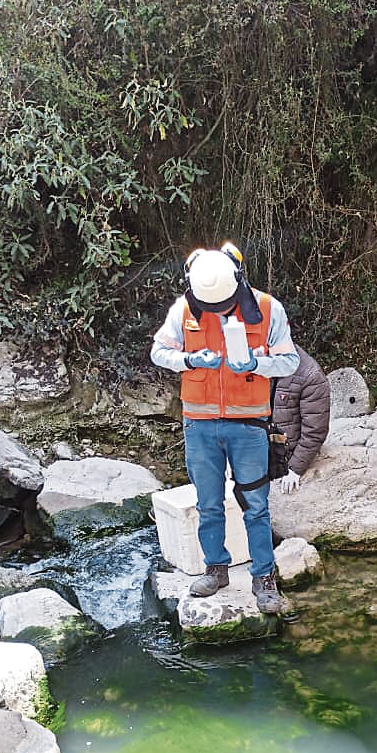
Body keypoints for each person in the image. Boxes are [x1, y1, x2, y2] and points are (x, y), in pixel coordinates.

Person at [150, 243, 298, 614]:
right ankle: (216, 569)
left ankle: (264, 580)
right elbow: (158, 352)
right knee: (208, 504)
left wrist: (256, 363)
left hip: (248, 425)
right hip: (199, 425)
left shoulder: (267, 309)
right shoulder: (184, 308)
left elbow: (290, 361)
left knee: (256, 506)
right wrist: (188, 359)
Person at [271, 346, 331, 494]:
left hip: (287, 454)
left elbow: (315, 431)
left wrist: (294, 468)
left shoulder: (310, 375)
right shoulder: (258, 361)